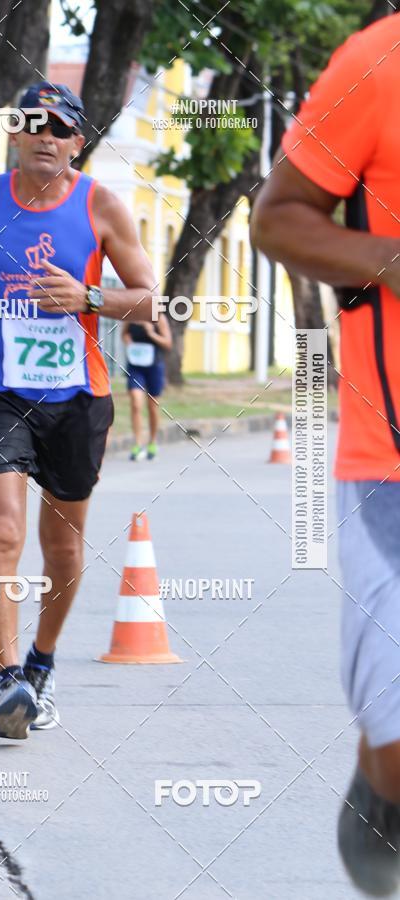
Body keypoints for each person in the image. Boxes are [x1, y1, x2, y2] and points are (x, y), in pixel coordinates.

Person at [0, 81, 155, 740]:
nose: (46, 136)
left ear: (77, 143)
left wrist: (88, 297)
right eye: (34, 124)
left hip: (77, 397)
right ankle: (9, 683)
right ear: (15, 134)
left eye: (59, 128)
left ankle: (42, 661)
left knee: (62, 548)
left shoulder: (104, 207)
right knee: (2, 534)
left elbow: (148, 297)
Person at [250, 13, 400, 896]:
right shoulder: (378, 60)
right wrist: (389, 259)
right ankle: (380, 788)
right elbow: (279, 220)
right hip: (391, 461)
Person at [122, 314, 172, 460]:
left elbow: (168, 343)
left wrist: (151, 333)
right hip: (135, 366)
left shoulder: (159, 318)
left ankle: (152, 441)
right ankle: (137, 443)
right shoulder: (131, 315)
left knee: (152, 406)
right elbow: (124, 334)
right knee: (136, 403)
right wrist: (129, 342)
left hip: (154, 366)